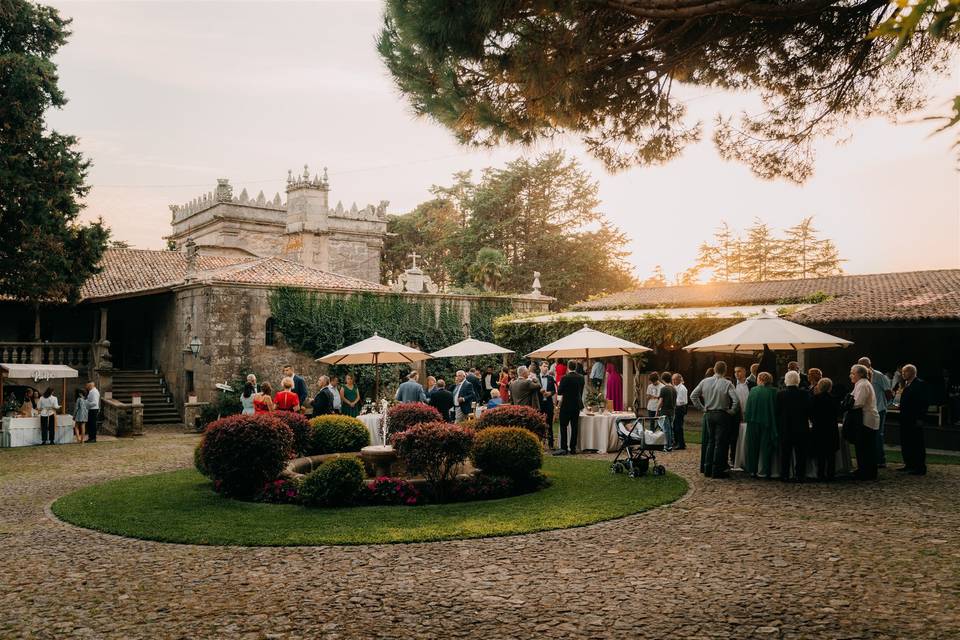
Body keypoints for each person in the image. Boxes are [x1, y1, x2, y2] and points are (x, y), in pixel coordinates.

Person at [690, 361, 740, 478]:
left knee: (710, 442)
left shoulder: (705, 381)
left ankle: (707, 469)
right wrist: (732, 411)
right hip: (722, 414)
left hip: (709, 414)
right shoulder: (727, 383)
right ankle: (717, 470)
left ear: (714, 369)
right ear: (725, 370)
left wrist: (702, 408)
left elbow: (693, 396)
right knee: (720, 443)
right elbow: (736, 400)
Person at [858, 357, 893, 468]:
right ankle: (871, 459)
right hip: (867, 410)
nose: (861, 367)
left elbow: (888, 392)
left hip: (879, 409)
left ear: (869, 364)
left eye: (863, 365)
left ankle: (881, 460)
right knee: (869, 436)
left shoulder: (878, 375)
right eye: (860, 365)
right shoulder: (861, 377)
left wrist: (885, 405)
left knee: (878, 435)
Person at [777, 370, 811, 482]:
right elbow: (808, 410)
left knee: (785, 453)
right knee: (801, 453)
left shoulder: (781, 394)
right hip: (801, 427)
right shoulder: (805, 394)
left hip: (785, 427)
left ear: (786, 381)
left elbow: (777, 411)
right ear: (798, 380)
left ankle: (785, 474)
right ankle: (800, 475)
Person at [744, 372, 778, 478]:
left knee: (752, 447)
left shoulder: (753, 390)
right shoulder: (774, 391)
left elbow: (748, 406)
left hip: (753, 422)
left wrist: (747, 418)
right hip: (767, 422)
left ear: (759, 379)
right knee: (766, 448)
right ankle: (766, 471)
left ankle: (752, 470)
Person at [897, 364, 930, 475]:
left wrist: (921, 418)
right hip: (905, 418)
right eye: (902, 372)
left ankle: (919, 467)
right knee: (906, 441)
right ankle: (909, 464)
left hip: (914, 418)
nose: (903, 374)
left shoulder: (920, 384)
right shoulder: (906, 384)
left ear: (911, 372)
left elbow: (923, 402)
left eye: (905, 372)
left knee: (917, 442)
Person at [849, 363, 880, 481]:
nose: (850, 375)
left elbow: (858, 403)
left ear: (860, 374)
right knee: (862, 447)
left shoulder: (863, 385)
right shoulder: (860, 384)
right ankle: (863, 469)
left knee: (866, 447)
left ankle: (868, 472)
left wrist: (847, 405)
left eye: (852, 373)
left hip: (867, 420)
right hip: (865, 419)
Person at [810, 377, 840, 481]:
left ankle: (820, 473)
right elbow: (838, 413)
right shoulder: (834, 399)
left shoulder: (814, 399)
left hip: (818, 428)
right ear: (830, 388)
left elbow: (811, 413)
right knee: (831, 454)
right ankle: (831, 474)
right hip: (831, 428)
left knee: (820, 453)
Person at [557, 359, 585, 455]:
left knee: (563, 426)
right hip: (576, 405)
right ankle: (573, 448)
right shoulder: (581, 377)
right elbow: (580, 391)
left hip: (566, 405)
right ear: (576, 367)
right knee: (574, 427)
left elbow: (560, 392)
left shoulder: (565, 378)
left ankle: (564, 448)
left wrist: (559, 385)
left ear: (568, 367)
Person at [733, 366, 751, 465]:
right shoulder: (732, 384)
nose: (737, 374)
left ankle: (747, 459)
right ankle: (734, 459)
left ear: (744, 372)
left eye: (739, 371)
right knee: (734, 438)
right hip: (735, 415)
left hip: (748, 414)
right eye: (735, 372)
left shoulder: (751, 384)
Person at [537, 361, 557, 449]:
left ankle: (551, 444)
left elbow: (554, 390)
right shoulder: (536, 378)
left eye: (547, 366)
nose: (546, 368)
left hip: (548, 404)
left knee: (549, 424)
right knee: (539, 424)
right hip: (539, 404)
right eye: (544, 366)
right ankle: (539, 443)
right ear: (540, 367)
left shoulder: (550, 378)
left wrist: (550, 393)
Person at [658, 372, 677, 451]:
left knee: (666, 429)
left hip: (665, 411)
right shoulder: (674, 388)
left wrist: (657, 410)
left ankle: (667, 446)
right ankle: (671, 444)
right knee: (670, 429)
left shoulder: (664, 389)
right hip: (672, 411)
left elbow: (661, 401)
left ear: (663, 379)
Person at [671, 373, 688, 450]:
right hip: (676, 407)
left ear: (679, 379)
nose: (673, 381)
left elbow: (681, 401)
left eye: (675, 379)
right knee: (675, 426)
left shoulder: (682, 388)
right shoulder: (676, 387)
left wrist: (673, 403)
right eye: (673, 379)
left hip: (680, 408)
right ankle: (677, 442)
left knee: (678, 426)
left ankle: (681, 444)